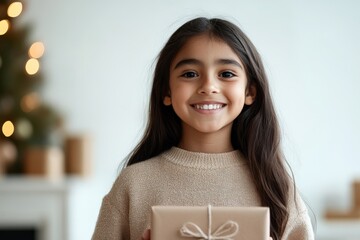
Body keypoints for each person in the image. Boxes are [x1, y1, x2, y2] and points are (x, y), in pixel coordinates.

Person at [91, 17, 314, 240]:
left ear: (250, 92)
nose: (208, 86)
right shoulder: (133, 185)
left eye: (226, 74)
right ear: (166, 92)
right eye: (190, 74)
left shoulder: (276, 188)